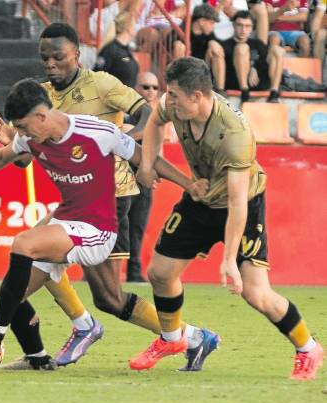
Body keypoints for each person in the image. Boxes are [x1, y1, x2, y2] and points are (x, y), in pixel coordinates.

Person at [0, 78, 204, 358]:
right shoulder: (29, 136)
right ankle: (38, 358)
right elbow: (0, 158)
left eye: (22, 127)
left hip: (97, 230)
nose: (20, 134)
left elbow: (148, 159)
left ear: (41, 116)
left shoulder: (98, 133)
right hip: (66, 222)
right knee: (10, 296)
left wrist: (188, 184)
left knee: (25, 243)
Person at [0, 23, 220, 372]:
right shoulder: (39, 96)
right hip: (74, 202)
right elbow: (26, 158)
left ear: (77, 53)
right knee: (37, 266)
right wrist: (12, 145)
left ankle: (187, 336)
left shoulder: (101, 83)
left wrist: (119, 145)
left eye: (59, 57)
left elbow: (147, 115)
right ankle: (76, 329)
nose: (51, 64)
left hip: (111, 196)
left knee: (108, 296)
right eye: (45, 58)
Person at [131, 56, 324, 380]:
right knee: (160, 272)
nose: (169, 101)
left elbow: (237, 203)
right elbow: (153, 124)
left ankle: (308, 348)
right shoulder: (174, 103)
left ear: (197, 96)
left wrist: (229, 261)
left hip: (243, 205)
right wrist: (148, 164)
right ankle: (173, 339)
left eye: (175, 95)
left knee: (255, 294)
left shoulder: (234, 134)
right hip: (202, 198)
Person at [125, 72, 160, 283]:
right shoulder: (125, 114)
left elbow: (157, 148)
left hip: (144, 178)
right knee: (113, 228)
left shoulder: (158, 116)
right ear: (135, 89)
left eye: (155, 87)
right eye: (146, 87)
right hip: (122, 178)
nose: (150, 92)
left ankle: (134, 272)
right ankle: (96, 272)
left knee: (137, 228)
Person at [223, 10, 284, 102]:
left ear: (252, 28)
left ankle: (274, 92)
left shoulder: (258, 44)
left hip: (259, 82)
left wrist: (253, 68)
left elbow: (266, 62)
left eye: (247, 26)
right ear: (234, 26)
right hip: (236, 84)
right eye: (240, 25)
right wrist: (250, 68)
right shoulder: (225, 45)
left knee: (277, 50)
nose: (243, 30)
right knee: (241, 48)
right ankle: (244, 91)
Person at [168, 4, 226, 94]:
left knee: (215, 48)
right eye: (212, 23)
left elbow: (218, 50)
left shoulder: (209, 34)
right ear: (202, 21)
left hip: (202, 70)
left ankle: (220, 90)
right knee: (179, 45)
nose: (213, 26)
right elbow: (167, 47)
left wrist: (213, 43)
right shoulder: (181, 30)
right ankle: (179, 86)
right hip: (184, 70)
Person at [93, 11, 139, 88]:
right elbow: (97, 75)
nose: (135, 29)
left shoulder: (127, 51)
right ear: (128, 28)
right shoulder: (110, 49)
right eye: (134, 26)